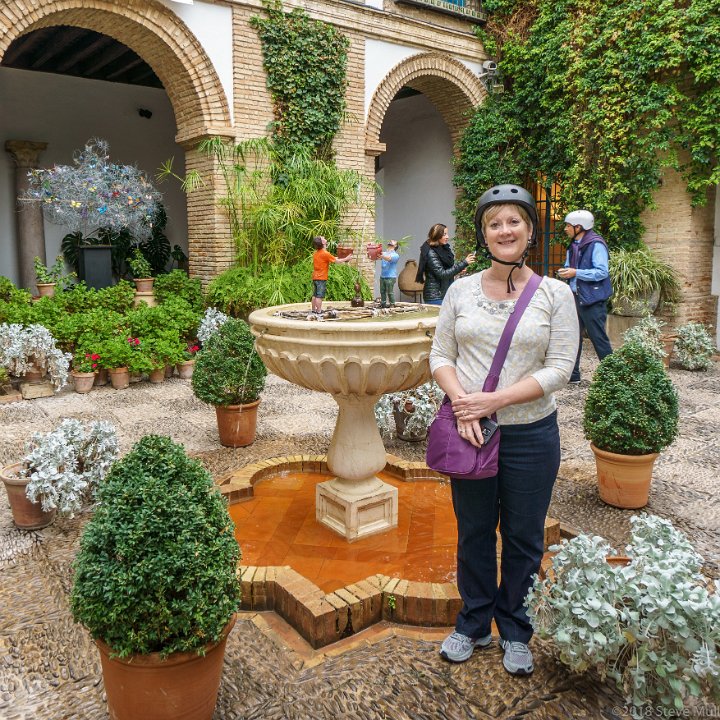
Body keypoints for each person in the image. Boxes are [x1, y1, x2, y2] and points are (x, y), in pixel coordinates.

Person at [430, 184, 578, 676]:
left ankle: (515, 628)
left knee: (523, 537)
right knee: (473, 531)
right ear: (484, 234)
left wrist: (494, 401)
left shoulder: (555, 294)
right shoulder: (460, 290)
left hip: (531, 435)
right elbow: (441, 355)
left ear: (530, 231)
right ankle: (473, 622)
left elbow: (560, 368)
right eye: (494, 223)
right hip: (471, 431)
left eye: (514, 221)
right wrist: (463, 405)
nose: (504, 230)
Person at [556, 210, 613, 384]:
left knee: (598, 337)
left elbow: (602, 272)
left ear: (579, 227)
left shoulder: (596, 244)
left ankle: (613, 377)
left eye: (568, 226)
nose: (565, 229)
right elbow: (570, 266)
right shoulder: (573, 245)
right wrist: (565, 271)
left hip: (592, 299)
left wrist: (576, 272)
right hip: (575, 296)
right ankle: (573, 375)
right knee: (573, 336)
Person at [415, 223, 475, 305]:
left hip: (444, 294)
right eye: (444, 234)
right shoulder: (431, 252)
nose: (447, 237)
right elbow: (442, 274)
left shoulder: (442, 249)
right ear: (437, 235)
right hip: (436, 297)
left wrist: (458, 270)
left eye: (447, 234)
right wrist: (464, 263)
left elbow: (445, 271)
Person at [311, 236, 353, 314]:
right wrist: (346, 259)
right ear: (322, 242)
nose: (324, 237)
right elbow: (337, 261)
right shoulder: (325, 253)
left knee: (315, 295)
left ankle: (313, 310)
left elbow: (331, 258)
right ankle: (319, 311)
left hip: (315, 277)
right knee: (319, 296)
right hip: (321, 278)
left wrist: (342, 257)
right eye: (322, 238)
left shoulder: (316, 253)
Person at [378, 239, 400, 307]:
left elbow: (389, 258)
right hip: (383, 276)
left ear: (395, 246)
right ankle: (383, 303)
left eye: (392, 243)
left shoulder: (396, 255)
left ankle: (392, 304)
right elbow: (377, 256)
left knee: (390, 292)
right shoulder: (384, 253)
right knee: (382, 291)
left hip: (390, 276)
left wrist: (382, 255)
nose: (390, 242)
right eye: (389, 243)